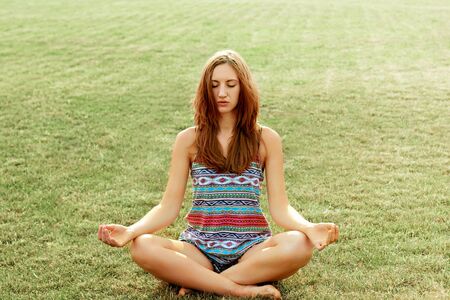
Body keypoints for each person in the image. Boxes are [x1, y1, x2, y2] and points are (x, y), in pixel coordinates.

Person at [98, 49, 339, 299]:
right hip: (199, 249)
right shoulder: (188, 140)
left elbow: (280, 208)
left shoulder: (266, 140)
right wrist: (130, 231)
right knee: (142, 246)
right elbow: (168, 208)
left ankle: (201, 282)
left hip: (251, 249)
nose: (222, 93)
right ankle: (238, 288)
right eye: (214, 86)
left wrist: (308, 228)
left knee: (299, 244)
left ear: (243, 87)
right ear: (206, 90)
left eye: (230, 85)